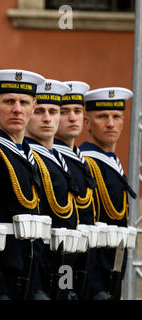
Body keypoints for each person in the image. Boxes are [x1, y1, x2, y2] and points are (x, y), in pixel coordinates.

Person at [0, 69, 47, 300]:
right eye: (9, 101)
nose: (17, 109)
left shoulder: (30, 155)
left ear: (33, 106)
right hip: (1, 276)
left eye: (24, 102)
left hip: (30, 272)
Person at [25, 79, 80, 300]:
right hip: (40, 263)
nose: (48, 118)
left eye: (54, 111)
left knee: (65, 294)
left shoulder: (58, 159)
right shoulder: (28, 157)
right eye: (39, 111)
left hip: (65, 259)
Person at [80, 87, 136, 300]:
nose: (111, 123)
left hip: (113, 269)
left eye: (116, 116)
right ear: (88, 123)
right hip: (93, 275)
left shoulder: (112, 163)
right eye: (103, 116)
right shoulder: (86, 163)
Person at [53, 81, 97, 299]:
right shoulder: (52, 159)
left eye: (77, 111)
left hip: (83, 259)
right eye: (64, 111)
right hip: (60, 259)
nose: (72, 118)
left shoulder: (81, 159)